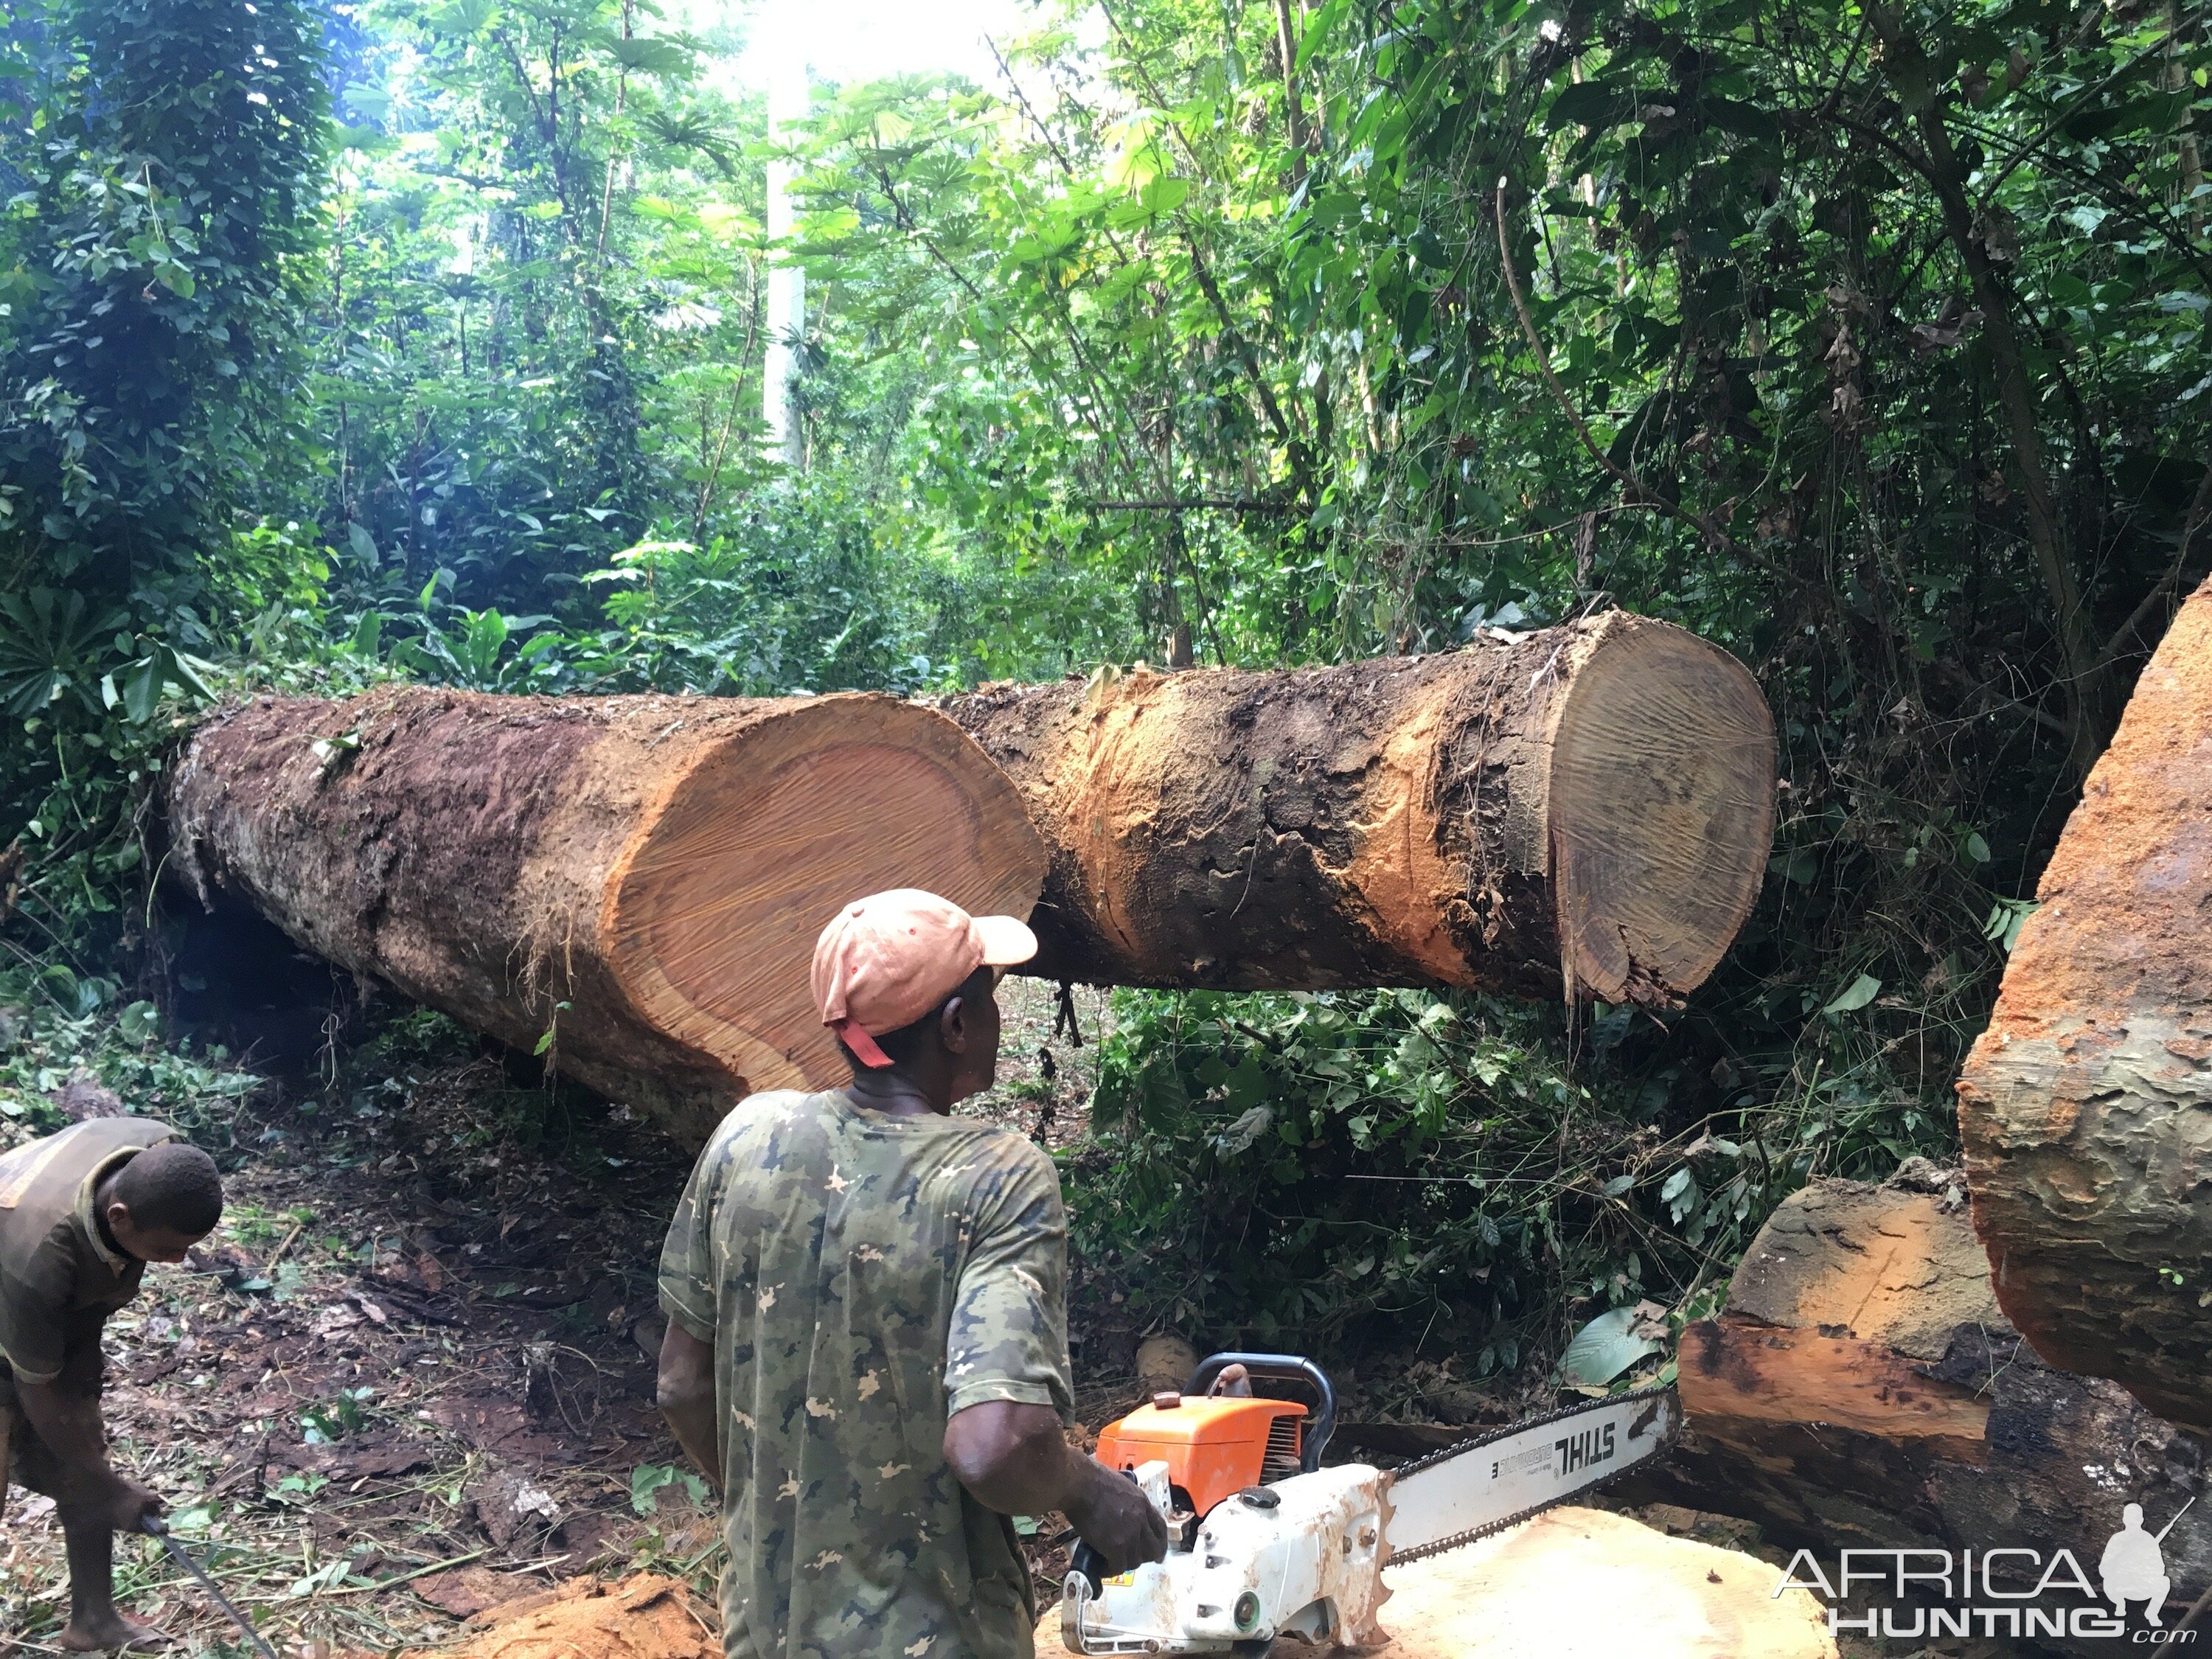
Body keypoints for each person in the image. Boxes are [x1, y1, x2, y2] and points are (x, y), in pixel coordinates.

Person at [656, 888, 1168, 1658]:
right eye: (989, 999)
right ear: (958, 1026)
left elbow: (682, 1387)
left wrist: (777, 1517)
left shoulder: (746, 1139)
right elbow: (994, 1447)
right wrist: (1091, 1492)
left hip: (766, 1632)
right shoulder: (994, 1177)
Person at [0, 1116, 225, 1651]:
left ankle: (94, 1622)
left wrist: (95, 1474)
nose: (178, 1261)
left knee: (84, 1450)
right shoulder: (36, 1259)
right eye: (170, 1248)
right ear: (118, 1216)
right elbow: (35, 1387)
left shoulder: (161, 1155)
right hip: (9, 1283)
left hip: (49, 1308)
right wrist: (111, 1490)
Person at [2100, 1501, 2172, 1626]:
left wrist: (2144, 1565)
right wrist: (2118, 1555)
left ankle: (2152, 1613)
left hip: (2142, 1586)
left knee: (2164, 1582)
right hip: (2121, 1586)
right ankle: (2120, 1604)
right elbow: (2104, 1570)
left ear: (2141, 1520)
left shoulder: (2148, 1540)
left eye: (2136, 1517)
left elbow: (2160, 1568)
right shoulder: (2117, 1539)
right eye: (2129, 1517)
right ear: (2124, 1519)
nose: (2132, 1521)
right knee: (2108, 1581)